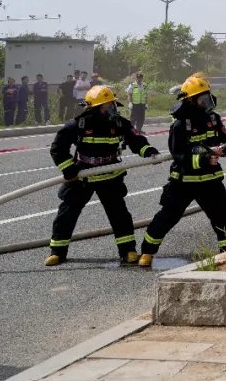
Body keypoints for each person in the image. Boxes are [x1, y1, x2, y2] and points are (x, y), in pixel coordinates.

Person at [45, 85, 160, 266]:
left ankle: (128, 251)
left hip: (110, 175)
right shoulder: (79, 124)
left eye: (112, 106)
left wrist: (149, 151)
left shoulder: (119, 123)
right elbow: (58, 148)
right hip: (82, 176)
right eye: (107, 107)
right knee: (67, 213)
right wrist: (69, 169)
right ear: (94, 109)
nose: (112, 110)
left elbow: (135, 140)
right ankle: (57, 252)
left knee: (119, 215)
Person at [139, 76, 226, 267]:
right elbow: (178, 154)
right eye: (202, 99)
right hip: (184, 182)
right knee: (168, 217)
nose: (207, 102)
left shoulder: (214, 119)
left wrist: (223, 149)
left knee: (222, 217)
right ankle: (147, 252)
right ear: (191, 101)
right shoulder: (180, 124)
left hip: (210, 181)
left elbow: (224, 140)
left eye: (208, 97)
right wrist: (204, 159)